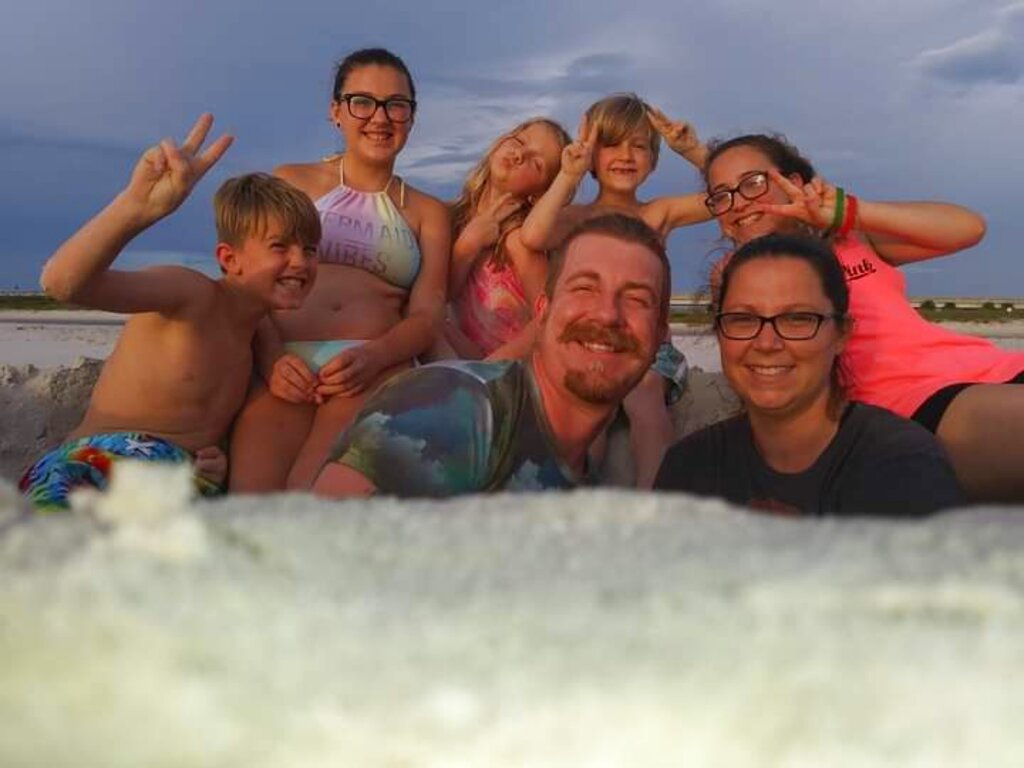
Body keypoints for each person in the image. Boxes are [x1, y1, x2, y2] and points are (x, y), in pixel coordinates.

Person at [19, 115, 321, 510]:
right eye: (280, 247)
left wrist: (214, 461)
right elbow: (62, 283)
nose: (300, 261)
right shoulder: (189, 294)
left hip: (180, 482)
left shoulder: (256, 332)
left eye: (311, 249)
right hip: (103, 462)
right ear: (229, 259)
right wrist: (137, 207)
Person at [702, 133, 1024, 502]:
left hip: (993, 367)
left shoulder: (852, 239)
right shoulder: (735, 272)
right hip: (918, 403)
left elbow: (968, 228)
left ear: (793, 183)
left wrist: (844, 212)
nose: (737, 203)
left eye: (753, 183)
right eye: (722, 195)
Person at [312, 213, 669, 497]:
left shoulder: (578, 472)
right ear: (541, 311)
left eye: (637, 299)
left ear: (660, 334)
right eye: (585, 288)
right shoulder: (458, 406)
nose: (608, 314)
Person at [228, 48, 451, 493]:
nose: (380, 117)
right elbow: (248, 285)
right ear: (336, 111)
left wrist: (375, 357)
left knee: (311, 496)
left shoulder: (429, 213)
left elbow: (427, 316)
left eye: (396, 105)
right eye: (362, 101)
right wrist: (273, 359)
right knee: (250, 501)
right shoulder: (291, 182)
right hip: (285, 363)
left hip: (374, 365)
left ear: (411, 117)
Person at [655, 234, 964, 516]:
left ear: (842, 333)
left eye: (797, 319)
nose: (766, 343)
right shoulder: (691, 466)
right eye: (743, 319)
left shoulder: (902, 467)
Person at [517, 93, 711, 488]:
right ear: (590, 155)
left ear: (654, 160)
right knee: (590, 409)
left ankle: (652, 492)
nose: (626, 155)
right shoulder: (575, 217)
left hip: (651, 353)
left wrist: (694, 152)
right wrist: (568, 175)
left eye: (638, 145)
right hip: (592, 344)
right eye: (611, 144)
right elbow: (533, 235)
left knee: (644, 398)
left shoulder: (658, 213)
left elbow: (733, 196)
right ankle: (575, 488)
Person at [438, 118, 570, 360]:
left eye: (537, 163)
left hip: (503, 371)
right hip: (459, 362)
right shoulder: (448, 218)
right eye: (519, 141)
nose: (519, 154)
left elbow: (547, 318)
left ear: (539, 195)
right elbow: (438, 296)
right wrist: (468, 244)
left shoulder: (517, 240)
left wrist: (491, 368)